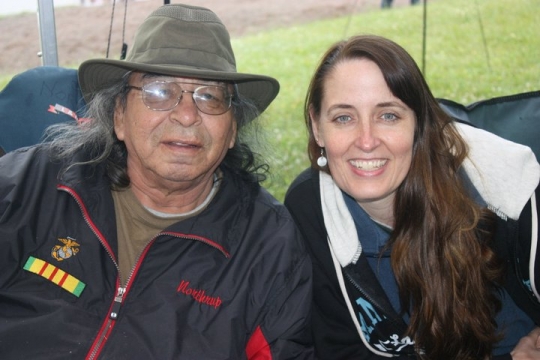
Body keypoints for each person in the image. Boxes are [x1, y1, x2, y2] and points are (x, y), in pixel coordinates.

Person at [0, 4, 313, 359]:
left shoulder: (268, 248)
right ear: (118, 115)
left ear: (232, 131)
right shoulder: (28, 186)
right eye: (159, 91)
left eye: (210, 96)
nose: (186, 114)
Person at [284, 34, 540, 359]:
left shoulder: (497, 182)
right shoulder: (309, 211)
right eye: (344, 117)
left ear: (419, 124)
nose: (366, 141)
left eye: (388, 115)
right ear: (317, 127)